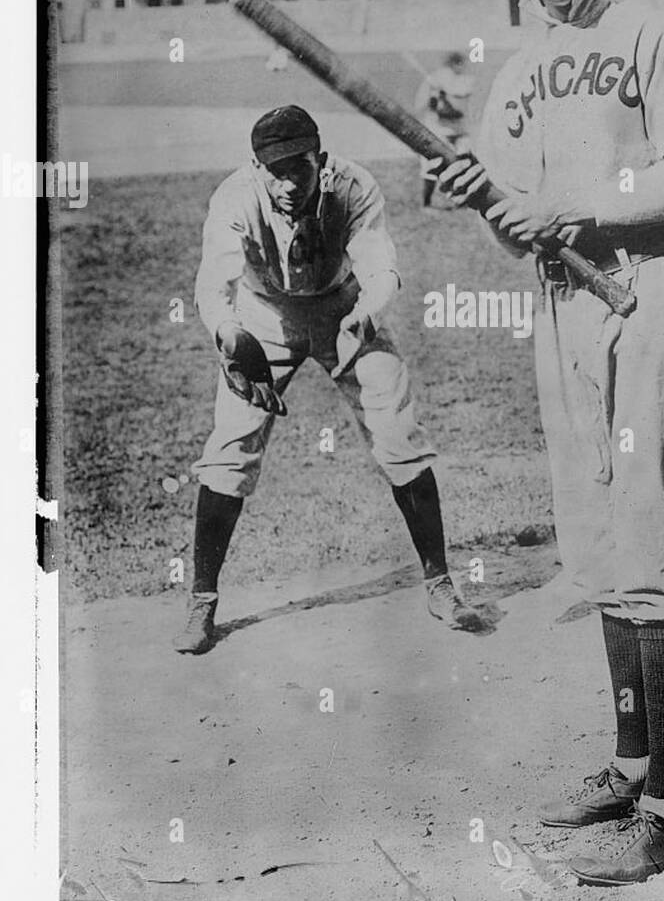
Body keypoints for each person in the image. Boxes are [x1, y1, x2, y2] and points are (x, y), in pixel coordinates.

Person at [433, 0, 664, 885]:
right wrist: (482, 196)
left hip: (644, 295)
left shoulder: (650, 34)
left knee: (652, 544)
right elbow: (517, 217)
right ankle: (630, 763)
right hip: (564, 308)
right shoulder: (517, 72)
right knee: (601, 551)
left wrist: (580, 211)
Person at [175, 104, 481, 654]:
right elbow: (212, 284)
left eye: (300, 167)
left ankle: (439, 582)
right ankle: (201, 601)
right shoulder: (235, 197)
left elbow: (380, 266)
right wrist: (229, 334)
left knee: (399, 436)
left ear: (322, 159)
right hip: (262, 315)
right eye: (275, 169)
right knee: (230, 449)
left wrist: (367, 315)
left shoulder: (354, 186)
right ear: (256, 165)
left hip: (343, 308)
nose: (288, 181)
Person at [415, 52, 475, 208]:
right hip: (438, 130)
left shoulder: (466, 80)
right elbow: (429, 107)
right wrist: (436, 96)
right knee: (431, 167)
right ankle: (426, 204)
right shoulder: (436, 79)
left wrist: (446, 93)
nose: (462, 67)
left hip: (460, 130)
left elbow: (459, 101)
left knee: (465, 164)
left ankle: (460, 202)